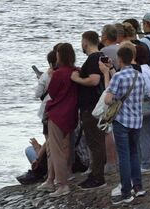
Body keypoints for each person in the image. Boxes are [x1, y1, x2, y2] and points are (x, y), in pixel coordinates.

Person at [101, 42, 144, 205]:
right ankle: (138, 187)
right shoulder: (139, 75)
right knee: (134, 153)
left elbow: (108, 99)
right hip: (137, 120)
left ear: (120, 59)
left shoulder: (118, 76)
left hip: (122, 120)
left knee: (124, 156)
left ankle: (126, 191)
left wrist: (115, 98)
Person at [72, 31, 109, 189]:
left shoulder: (93, 58)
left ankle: (98, 177)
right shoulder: (102, 56)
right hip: (99, 105)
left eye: (82, 41)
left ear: (85, 42)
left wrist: (77, 78)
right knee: (98, 141)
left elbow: (94, 80)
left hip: (92, 107)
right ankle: (96, 173)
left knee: (95, 143)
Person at [43, 42, 79, 196]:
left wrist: (51, 77)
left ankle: (62, 184)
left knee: (56, 150)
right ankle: (60, 179)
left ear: (60, 56)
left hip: (57, 113)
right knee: (66, 147)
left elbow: (52, 92)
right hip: (71, 113)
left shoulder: (58, 73)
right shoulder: (76, 71)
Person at [133, 42, 150, 171]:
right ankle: (146, 160)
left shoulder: (141, 70)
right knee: (146, 133)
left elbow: (148, 89)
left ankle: (145, 163)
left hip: (144, 103)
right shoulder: (147, 68)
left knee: (143, 135)